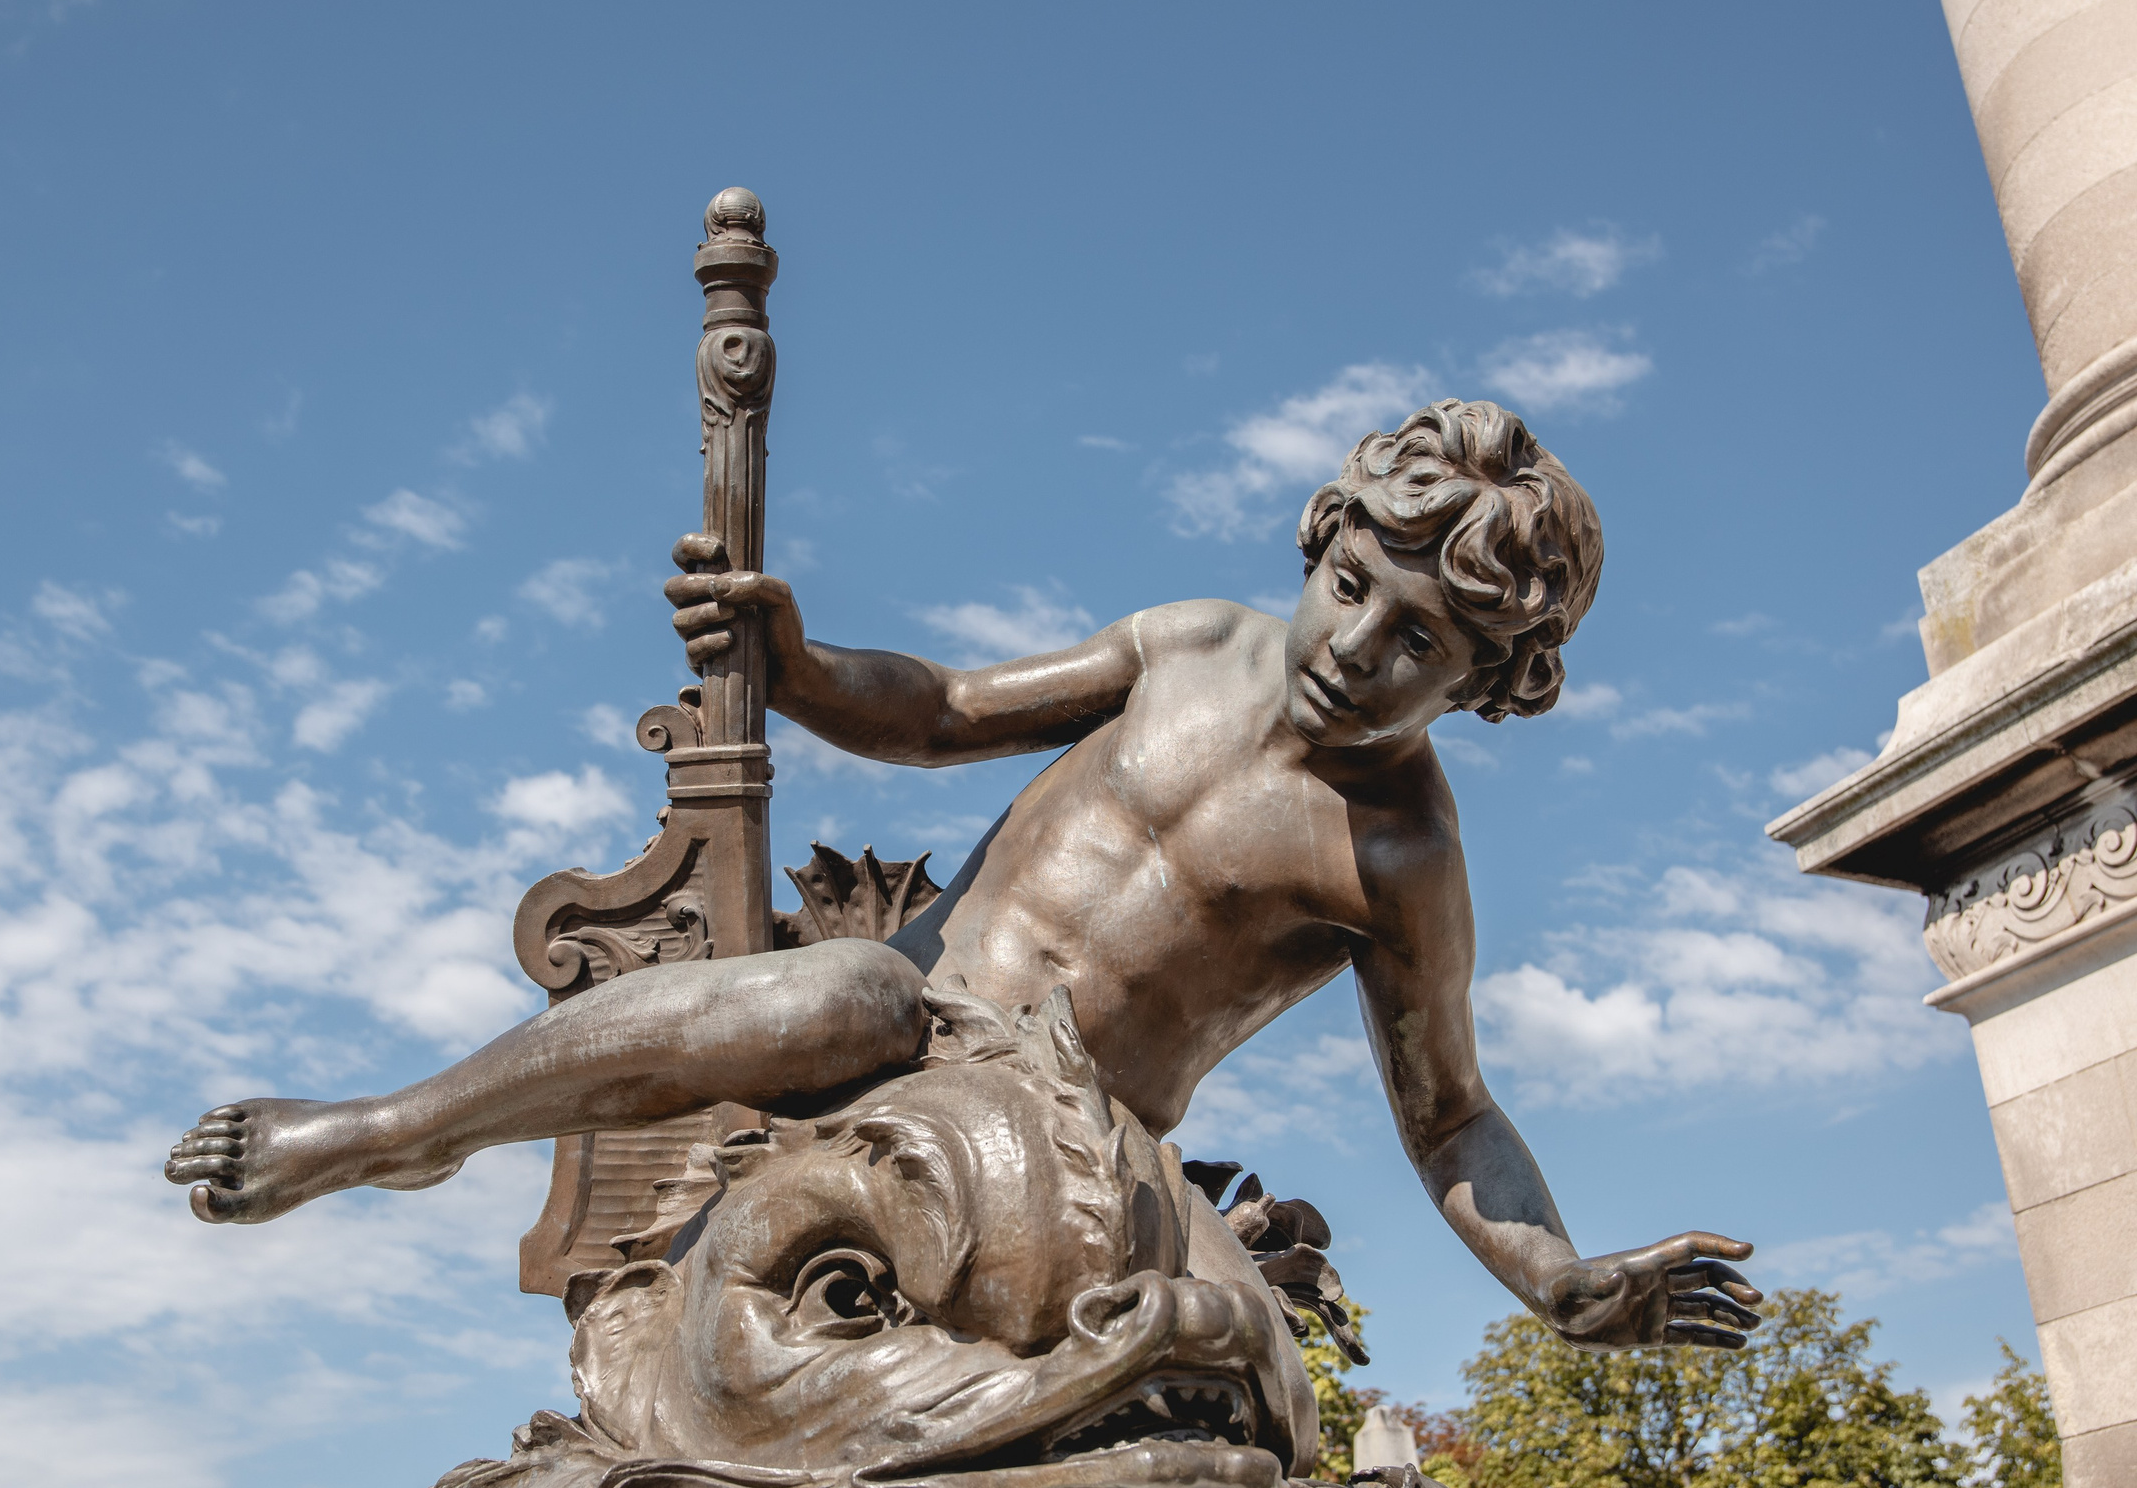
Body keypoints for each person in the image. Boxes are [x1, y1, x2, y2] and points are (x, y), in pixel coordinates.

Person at [166, 399, 1763, 1353]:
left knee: (1222, 1341)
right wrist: (798, 667)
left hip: (1071, 1130)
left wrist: (1556, 1273)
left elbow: (1452, 1112)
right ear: (1322, 540)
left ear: (1487, 687)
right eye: (1352, 586)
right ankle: (392, 1131)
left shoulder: (1403, 856)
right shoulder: (1188, 644)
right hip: (907, 1013)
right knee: (862, 989)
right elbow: (940, 713)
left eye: (1420, 642)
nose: (1358, 645)